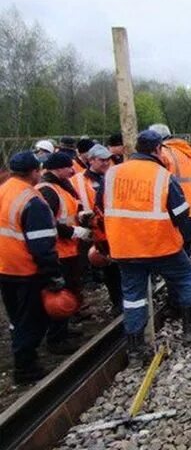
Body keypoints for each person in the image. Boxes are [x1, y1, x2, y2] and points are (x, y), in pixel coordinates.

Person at [99, 130, 191, 367]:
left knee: (134, 297)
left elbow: (101, 206)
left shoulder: (112, 174)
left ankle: (136, 351)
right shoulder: (162, 176)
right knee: (186, 277)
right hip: (160, 246)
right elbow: (181, 213)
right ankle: (190, 329)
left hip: (125, 249)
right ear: (158, 149)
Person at [0, 152, 64, 384]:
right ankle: (25, 367)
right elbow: (42, 245)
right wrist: (53, 274)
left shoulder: (4, 190)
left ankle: (23, 358)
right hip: (25, 270)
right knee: (32, 319)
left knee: (16, 316)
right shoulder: (32, 200)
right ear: (35, 172)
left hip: (4, 267)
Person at [36, 153, 92, 344]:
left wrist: (81, 215)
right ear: (58, 168)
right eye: (68, 167)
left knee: (70, 287)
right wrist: (73, 231)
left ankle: (63, 331)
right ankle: (56, 338)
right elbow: (49, 222)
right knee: (59, 293)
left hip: (68, 250)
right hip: (59, 250)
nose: (71, 170)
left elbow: (67, 212)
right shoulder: (47, 190)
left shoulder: (61, 187)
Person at [72, 144, 122, 315]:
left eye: (108, 159)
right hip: (94, 233)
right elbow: (72, 204)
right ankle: (117, 301)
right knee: (107, 270)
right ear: (91, 160)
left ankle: (122, 301)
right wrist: (80, 216)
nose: (106, 163)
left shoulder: (115, 177)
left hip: (115, 230)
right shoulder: (78, 181)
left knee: (119, 268)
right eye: (102, 160)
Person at [148, 124, 191, 249]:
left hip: (174, 216)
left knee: (172, 259)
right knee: (185, 253)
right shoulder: (187, 152)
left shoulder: (162, 153)